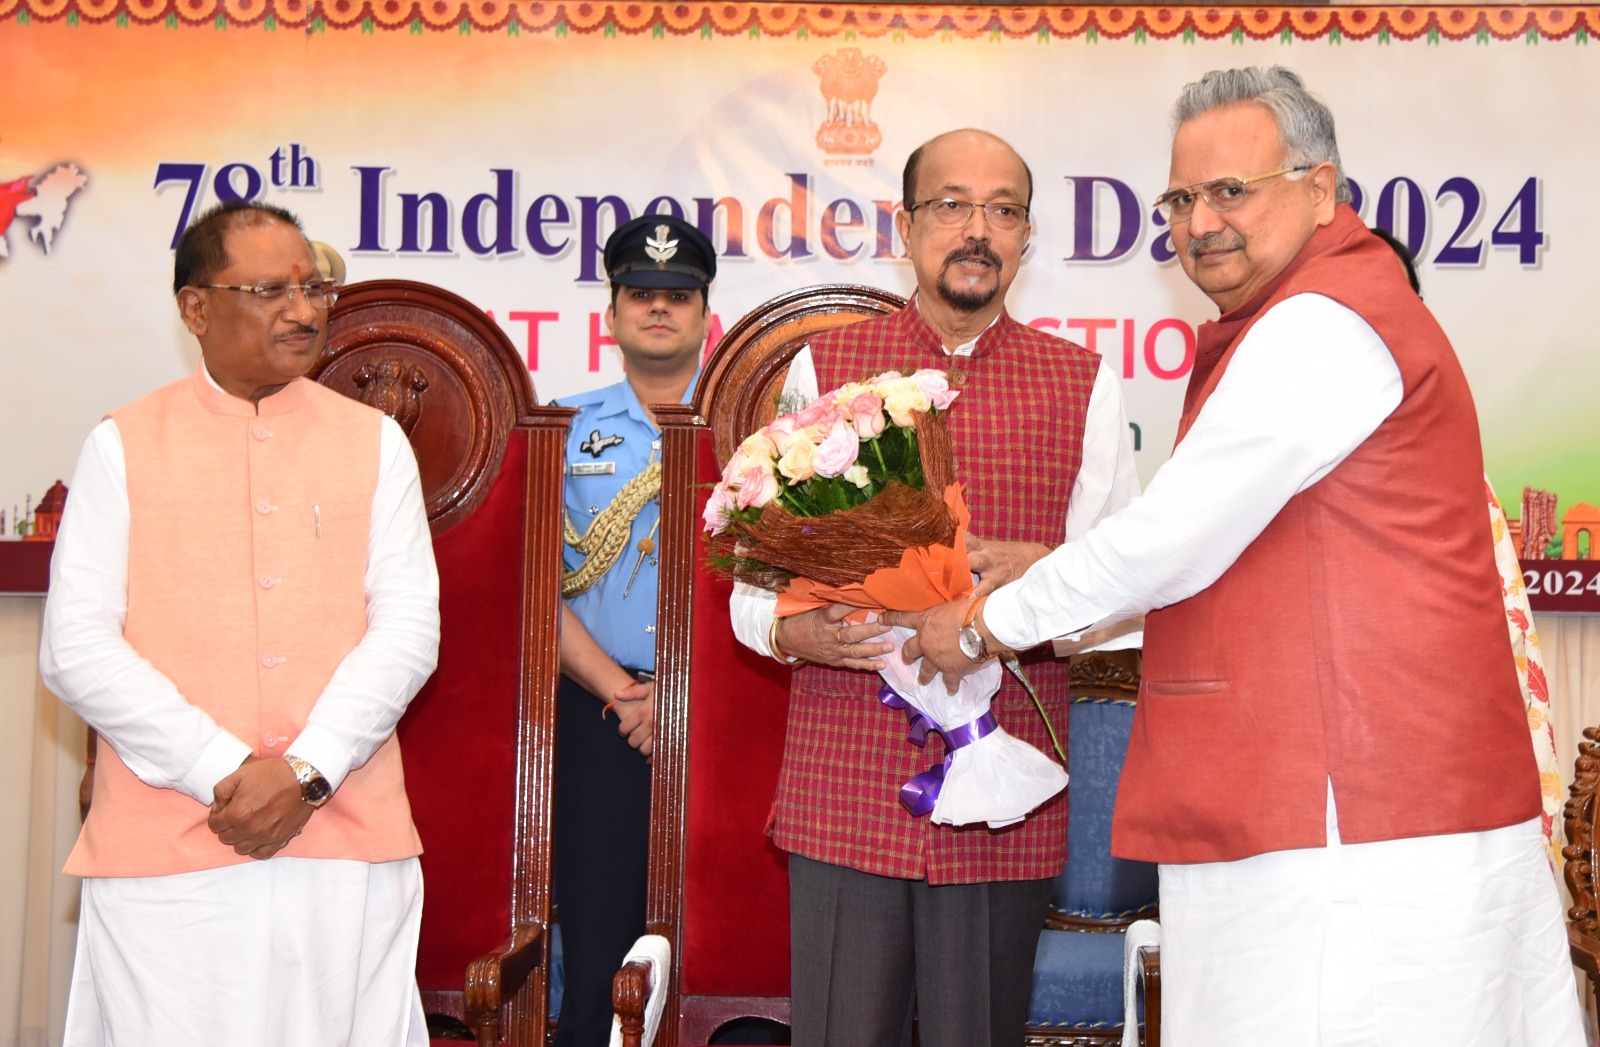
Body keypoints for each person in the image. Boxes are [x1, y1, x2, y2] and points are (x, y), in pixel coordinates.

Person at [889, 69, 1583, 1046]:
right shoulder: (1303, 312)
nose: (1201, 221)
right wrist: (1052, 571)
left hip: (1351, 823)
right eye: (1181, 199)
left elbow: (1171, 540)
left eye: (1231, 191)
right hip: (1333, 806)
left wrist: (980, 624)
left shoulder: (1319, 322)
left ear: (1320, 188)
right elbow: (1234, 552)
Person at [728, 129, 1139, 1047]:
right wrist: (790, 636)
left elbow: (1127, 602)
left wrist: (1047, 580)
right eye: (952, 205)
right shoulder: (823, 372)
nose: (977, 230)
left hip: (1006, 791)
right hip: (845, 781)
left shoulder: (1083, 384)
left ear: (1027, 240)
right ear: (907, 227)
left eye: (1003, 210)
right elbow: (749, 585)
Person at [39, 200, 440, 1045]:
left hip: (343, 838)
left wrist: (306, 771)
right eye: (269, 289)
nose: (303, 309)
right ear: (195, 307)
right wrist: (223, 769)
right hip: (168, 847)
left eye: (314, 287)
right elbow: (75, 647)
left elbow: (407, 630)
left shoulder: (375, 442)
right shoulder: (121, 443)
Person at [551, 213, 716, 1047]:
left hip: (727, 714)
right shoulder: (560, 429)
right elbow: (536, 589)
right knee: (597, 940)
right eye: (641, 294)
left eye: (678, 295)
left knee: (724, 946)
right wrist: (625, 694)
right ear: (610, 314)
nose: (660, 308)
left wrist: (688, 700)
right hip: (601, 712)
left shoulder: (762, 426)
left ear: (706, 315)